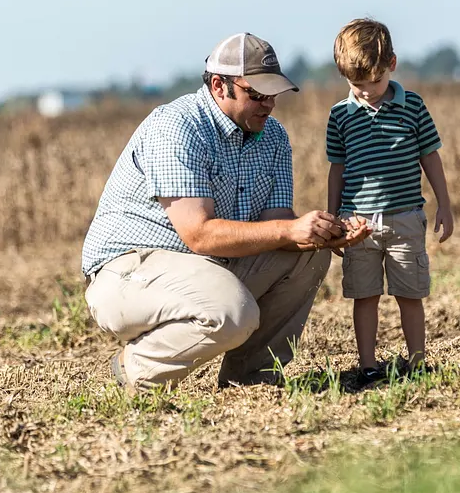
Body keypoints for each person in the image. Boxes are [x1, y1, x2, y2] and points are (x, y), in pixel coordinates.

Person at [81, 32, 373, 392]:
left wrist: (323, 234)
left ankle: (252, 381)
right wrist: (289, 231)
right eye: (257, 94)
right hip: (128, 272)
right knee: (232, 315)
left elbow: (274, 225)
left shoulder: (274, 137)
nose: (269, 104)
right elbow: (198, 234)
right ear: (220, 85)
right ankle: (135, 370)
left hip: (201, 268)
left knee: (309, 259)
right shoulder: (177, 127)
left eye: (274, 94)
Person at [325, 18, 454, 385]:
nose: (367, 92)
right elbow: (338, 170)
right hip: (357, 223)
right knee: (364, 296)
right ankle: (368, 365)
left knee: (409, 294)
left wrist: (444, 203)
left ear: (392, 64)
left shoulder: (413, 106)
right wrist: (335, 218)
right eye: (357, 85)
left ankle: (417, 362)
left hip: (406, 218)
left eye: (375, 82)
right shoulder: (339, 116)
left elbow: (430, 156)